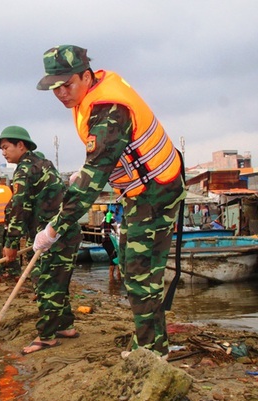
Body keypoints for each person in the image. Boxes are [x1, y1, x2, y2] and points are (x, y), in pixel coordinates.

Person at [34, 44, 186, 358]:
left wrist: (54, 229)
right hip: (142, 193)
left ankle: (151, 351)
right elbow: (106, 155)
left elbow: (91, 184)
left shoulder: (109, 110)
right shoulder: (90, 97)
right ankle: (153, 342)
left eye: (67, 84)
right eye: (55, 88)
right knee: (135, 270)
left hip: (155, 192)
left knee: (139, 270)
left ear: (86, 76)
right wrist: (85, 170)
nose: (61, 93)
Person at [0, 126, 82, 354]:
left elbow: (19, 207)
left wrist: (11, 243)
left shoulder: (24, 170)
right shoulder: (44, 164)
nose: (3, 153)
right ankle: (65, 326)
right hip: (63, 232)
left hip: (54, 235)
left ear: (20, 145)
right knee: (57, 279)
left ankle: (47, 336)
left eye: (6, 147)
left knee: (47, 283)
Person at [101, 212, 121, 281]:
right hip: (109, 241)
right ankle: (113, 276)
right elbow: (115, 225)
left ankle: (116, 275)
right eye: (113, 213)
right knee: (114, 257)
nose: (114, 215)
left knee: (115, 256)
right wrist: (116, 231)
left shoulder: (103, 220)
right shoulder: (111, 219)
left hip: (105, 241)